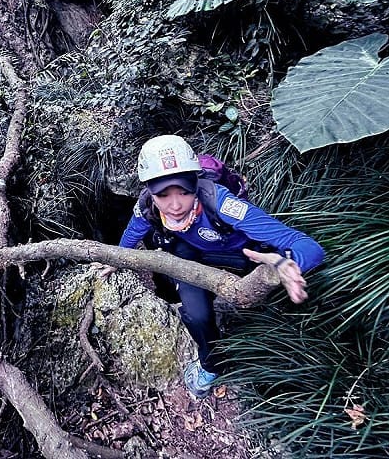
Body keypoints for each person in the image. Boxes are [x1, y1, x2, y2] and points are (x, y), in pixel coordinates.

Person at [112, 134, 324, 398]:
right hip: (191, 257)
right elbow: (131, 235)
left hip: (243, 256)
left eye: (184, 192)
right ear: (150, 192)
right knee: (197, 315)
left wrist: (287, 264)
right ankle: (210, 367)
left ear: (195, 185)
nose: (175, 205)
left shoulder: (220, 202)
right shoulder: (147, 207)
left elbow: (309, 247)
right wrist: (114, 261)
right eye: (163, 194)